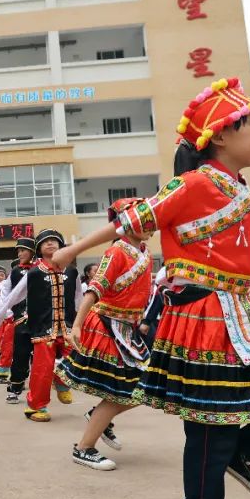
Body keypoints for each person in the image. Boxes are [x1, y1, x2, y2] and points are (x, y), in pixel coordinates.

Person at [51, 78, 250, 499]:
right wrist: (73, 250)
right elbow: (131, 221)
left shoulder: (238, 187)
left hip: (244, 309)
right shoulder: (194, 183)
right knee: (210, 425)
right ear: (220, 136)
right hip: (202, 314)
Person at [57, 200, 153, 469]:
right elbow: (94, 289)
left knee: (147, 386)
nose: (150, 223)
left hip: (127, 330)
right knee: (124, 390)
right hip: (107, 327)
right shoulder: (117, 252)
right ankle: (84, 448)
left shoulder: (143, 251)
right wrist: (77, 324)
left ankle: (96, 416)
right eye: (143, 218)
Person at [0, 229, 74, 421]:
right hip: (42, 328)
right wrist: (0, 315)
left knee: (74, 360)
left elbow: (78, 297)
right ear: (38, 248)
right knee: (41, 369)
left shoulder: (71, 270)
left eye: (55, 240)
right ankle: (36, 407)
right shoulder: (34, 272)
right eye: (46, 242)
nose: (51, 244)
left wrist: (82, 320)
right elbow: (14, 295)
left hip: (68, 326)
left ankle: (62, 383)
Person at [0, 239, 36, 394]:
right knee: (20, 353)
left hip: (42, 319)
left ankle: (38, 388)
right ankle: (16, 385)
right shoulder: (15, 272)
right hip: (21, 318)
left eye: (23, 250)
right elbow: (5, 292)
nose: (20, 254)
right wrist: (9, 312)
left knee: (42, 355)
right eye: (18, 251)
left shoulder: (42, 268)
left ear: (33, 251)